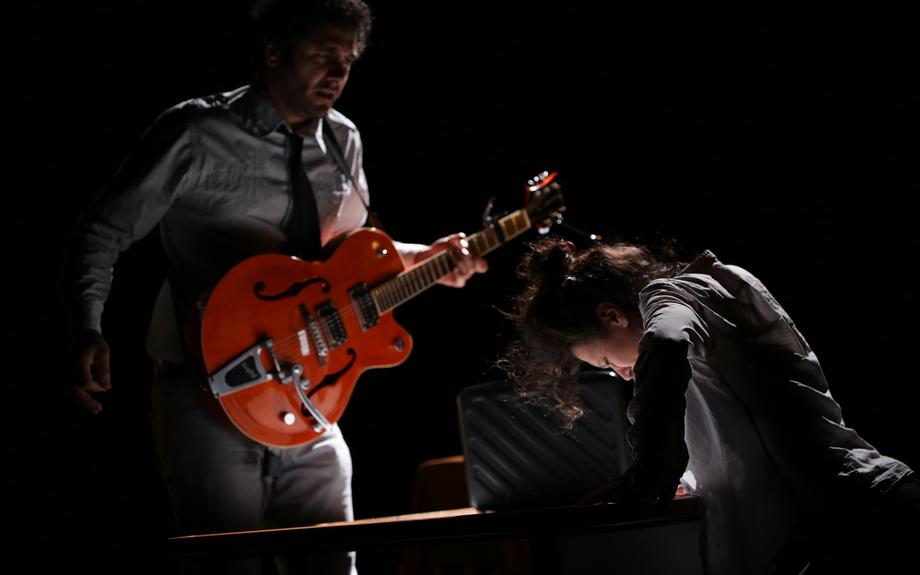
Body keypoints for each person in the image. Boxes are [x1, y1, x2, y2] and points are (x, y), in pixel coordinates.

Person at [61, 1, 486, 573]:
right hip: (207, 389)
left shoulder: (344, 139)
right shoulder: (196, 132)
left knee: (334, 566)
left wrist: (427, 257)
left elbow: (349, 254)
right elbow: (101, 231)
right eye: (324, 55)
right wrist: (86, 324)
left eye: (349, 59)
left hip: (310, 394)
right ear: (273, 53)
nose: (338, 73)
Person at [501, 238, 917, 575]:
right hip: (848, 522)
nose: (623, 375)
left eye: (609, 360)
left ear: (612, 316)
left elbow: (665, 341)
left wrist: (649, 470)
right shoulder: (708, 306)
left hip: (866, 515)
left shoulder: (675, 294)